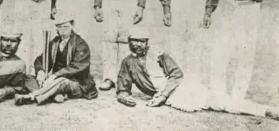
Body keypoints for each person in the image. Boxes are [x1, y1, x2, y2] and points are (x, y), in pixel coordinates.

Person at [116, 26, 279, 121]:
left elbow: (176, 75)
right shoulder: (127, 62)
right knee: (217, 103)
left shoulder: (158, 53)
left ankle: (265, 110)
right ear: (129, 42)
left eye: (142, 40)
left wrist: (163, 95)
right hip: (169, 96)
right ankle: (264, 110)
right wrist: (124, 97)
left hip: (178, 88)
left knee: (218, 100)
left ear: (147, 42)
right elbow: (123, 86)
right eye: (134, 40)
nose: (138, 44)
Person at [14, 14, 98, 105]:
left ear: (72, 26)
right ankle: (53, 94)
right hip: (53, 81)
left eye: (66, 26)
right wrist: (40, 72)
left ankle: (32, 97)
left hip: (78, 83)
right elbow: (40, 59)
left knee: (62, 81)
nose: (63, 30)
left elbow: (77, 66)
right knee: (26, 77)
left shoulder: (80, 44)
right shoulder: (55, 42)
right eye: (59, 27)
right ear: (56, 29)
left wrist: (54, 76)